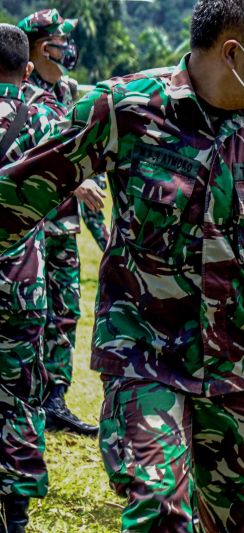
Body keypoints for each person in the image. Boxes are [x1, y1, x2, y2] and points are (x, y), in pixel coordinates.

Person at [0, 1, 244, 531]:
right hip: (143, 354)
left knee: (235, 519)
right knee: (159, 512)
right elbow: (20, 190)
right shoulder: (126, 108)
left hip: (235, 369)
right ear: (234, 53)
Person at [18, 8, 108, 436]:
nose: (66, 48)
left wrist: (104, 235)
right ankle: (28, 396)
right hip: (33, 226)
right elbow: (27, 161)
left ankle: (54, 398)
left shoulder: (66, 94)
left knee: (66, 313)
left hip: (65, 227)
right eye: (58, 41)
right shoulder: (21, 93)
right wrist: (74, 186)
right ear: (39, 47)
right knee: (31, 312)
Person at [0, 23, 57, 533]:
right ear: (26, 69)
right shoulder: (41, 115)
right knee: (19, 391)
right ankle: (14, 509)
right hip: (21, 282)